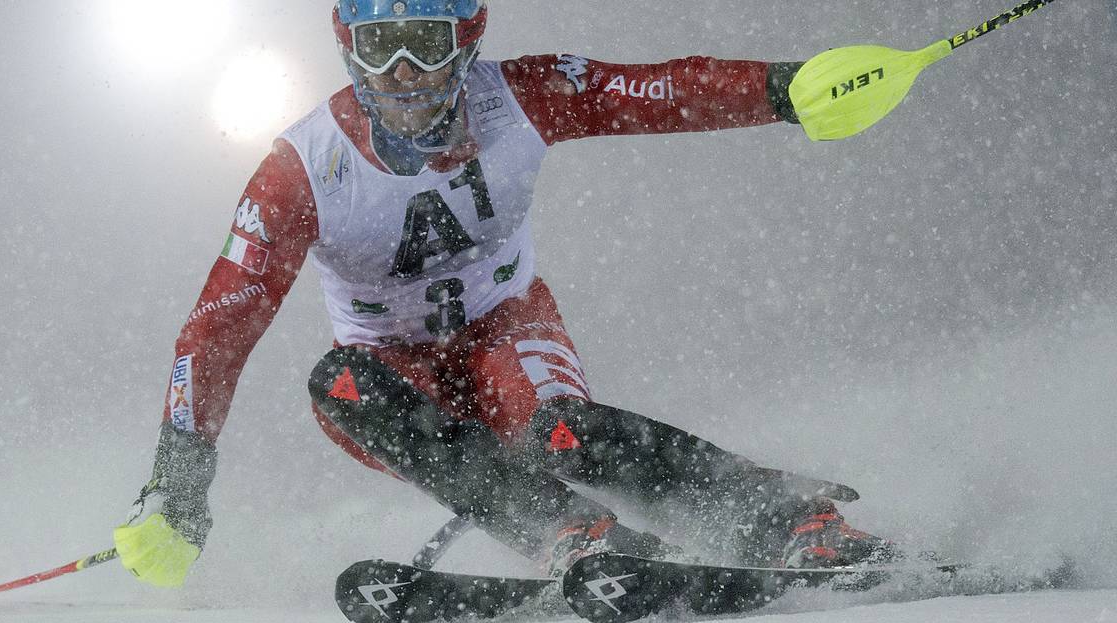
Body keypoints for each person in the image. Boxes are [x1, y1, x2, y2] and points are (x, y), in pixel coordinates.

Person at [113, 0, 896, 589]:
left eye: (425, 44)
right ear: (349, 49)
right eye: (381, 48)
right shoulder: (303, 169)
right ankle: (566, 530)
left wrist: (784, 89)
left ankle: (794, 521)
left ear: (467, 41)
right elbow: (218, 328)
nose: (402, 74)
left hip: (506, 331)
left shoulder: (517, 96)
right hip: (398, 375)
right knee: (338, 384)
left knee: (561, 432)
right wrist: (176, 487)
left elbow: (650, 91)